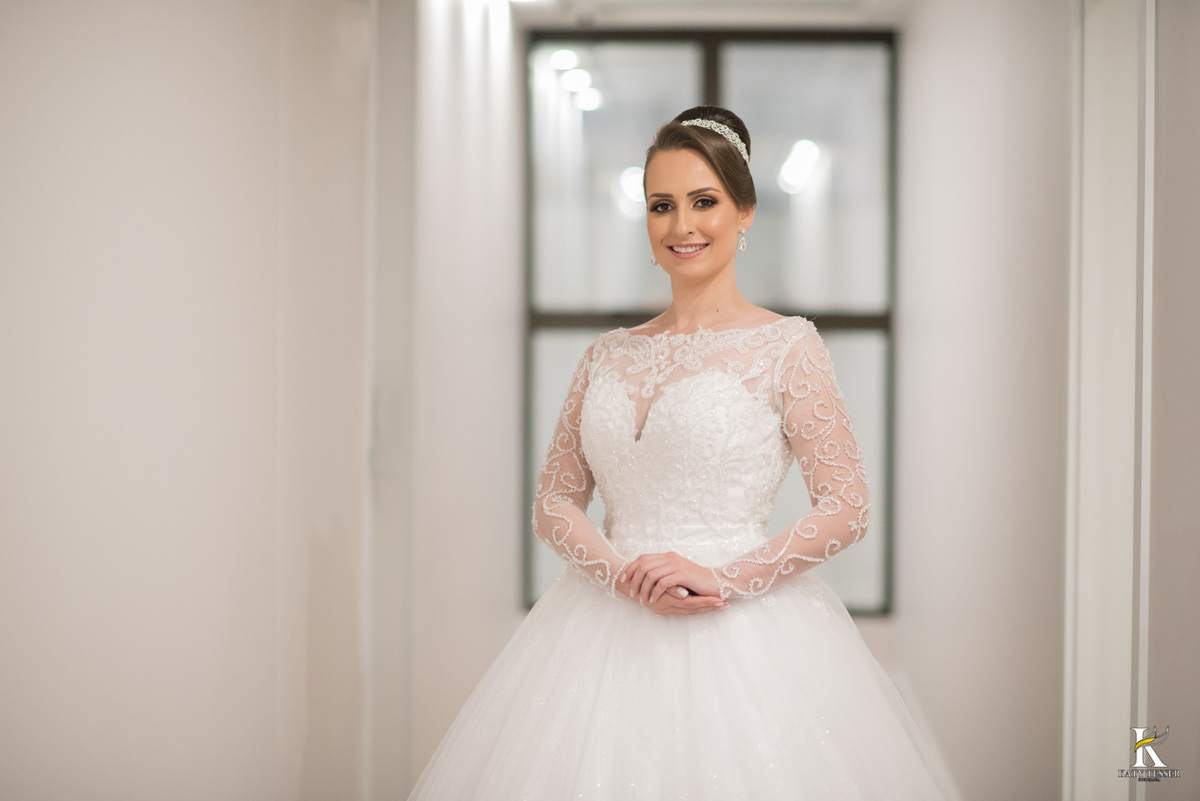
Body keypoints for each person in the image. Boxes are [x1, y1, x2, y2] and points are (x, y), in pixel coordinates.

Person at [408, 106, 948, 800]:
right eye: (661, 206)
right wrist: (625, 572)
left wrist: (725, 577)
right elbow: (554, 502)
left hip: (740, 622)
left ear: (745, 210)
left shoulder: (787, 347)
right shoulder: (605, 354)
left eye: (704, 202)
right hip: (597, 621)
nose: (681, 225)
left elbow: (848, 505)